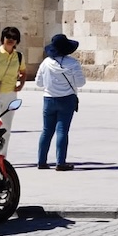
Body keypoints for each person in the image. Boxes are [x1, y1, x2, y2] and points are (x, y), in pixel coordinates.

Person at [35, 33, 86, 170]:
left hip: (48, 99)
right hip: (67, 99)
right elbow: (81, 83)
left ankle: (41, 161)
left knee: (46, 131)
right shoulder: (73, 63)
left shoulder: (45, 63)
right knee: (62, 131)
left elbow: (38, 83)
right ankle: (60, 162)